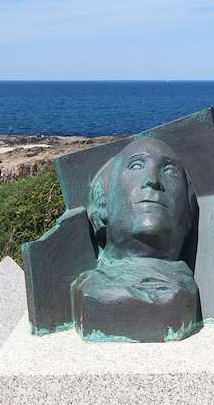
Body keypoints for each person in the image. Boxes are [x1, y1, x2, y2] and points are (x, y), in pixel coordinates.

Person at [71, 137, 202, 342]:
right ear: (103, 203)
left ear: (188, 213)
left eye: (169, 171)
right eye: (136, 165)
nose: (153, 180)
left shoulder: (184, 291)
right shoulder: (87, 289)